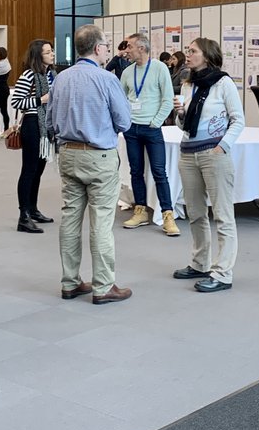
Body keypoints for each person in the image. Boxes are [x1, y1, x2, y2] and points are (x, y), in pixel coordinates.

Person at [46, 25, 133, 304]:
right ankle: (104, 286)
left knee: (70, 218)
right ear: (98, 48)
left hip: (68, 153)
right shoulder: (107, 79)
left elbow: (49, 120)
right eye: (106, 45)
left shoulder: (60, 79)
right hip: (99, 156)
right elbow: (124, 122)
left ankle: (70, 282)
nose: (107, 49)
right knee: (102, 222)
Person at [172, 37, 246, 291]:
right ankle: (199, 262)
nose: (187, 54)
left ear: (207, 55)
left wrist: (221, 147)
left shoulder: (223, 83)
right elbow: (184, 125)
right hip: (188, 153)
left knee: (223, 215)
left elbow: (238, 120)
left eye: (193, 51)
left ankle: (223, 272)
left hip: (213, 154)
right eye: (188, 50)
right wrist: (180, 115)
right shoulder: (187, 84)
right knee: (195, 213)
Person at [119, 33, 178, 235]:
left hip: (152, 129)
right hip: (132, 129)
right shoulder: (127, 72)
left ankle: (168, 215)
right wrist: (126, 122)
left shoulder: (160, 68)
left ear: (142, 48)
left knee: (159, 172)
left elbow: (168, 99)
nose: (127, 50)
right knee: (136, 171)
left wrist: (155, 122)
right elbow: (120, 99)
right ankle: (141, 210)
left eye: (130, 47)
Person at [10, 39, 57, 233]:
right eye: (47, 52)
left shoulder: (51, 75)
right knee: (29, 170)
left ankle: (33, 209)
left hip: (45, 126)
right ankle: (23, 216)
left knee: (38, 170)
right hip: (32, 125)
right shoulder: (29, 75)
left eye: (52, 51)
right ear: (38, 55)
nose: (52, 54)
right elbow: (17, 101)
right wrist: (41, 99)